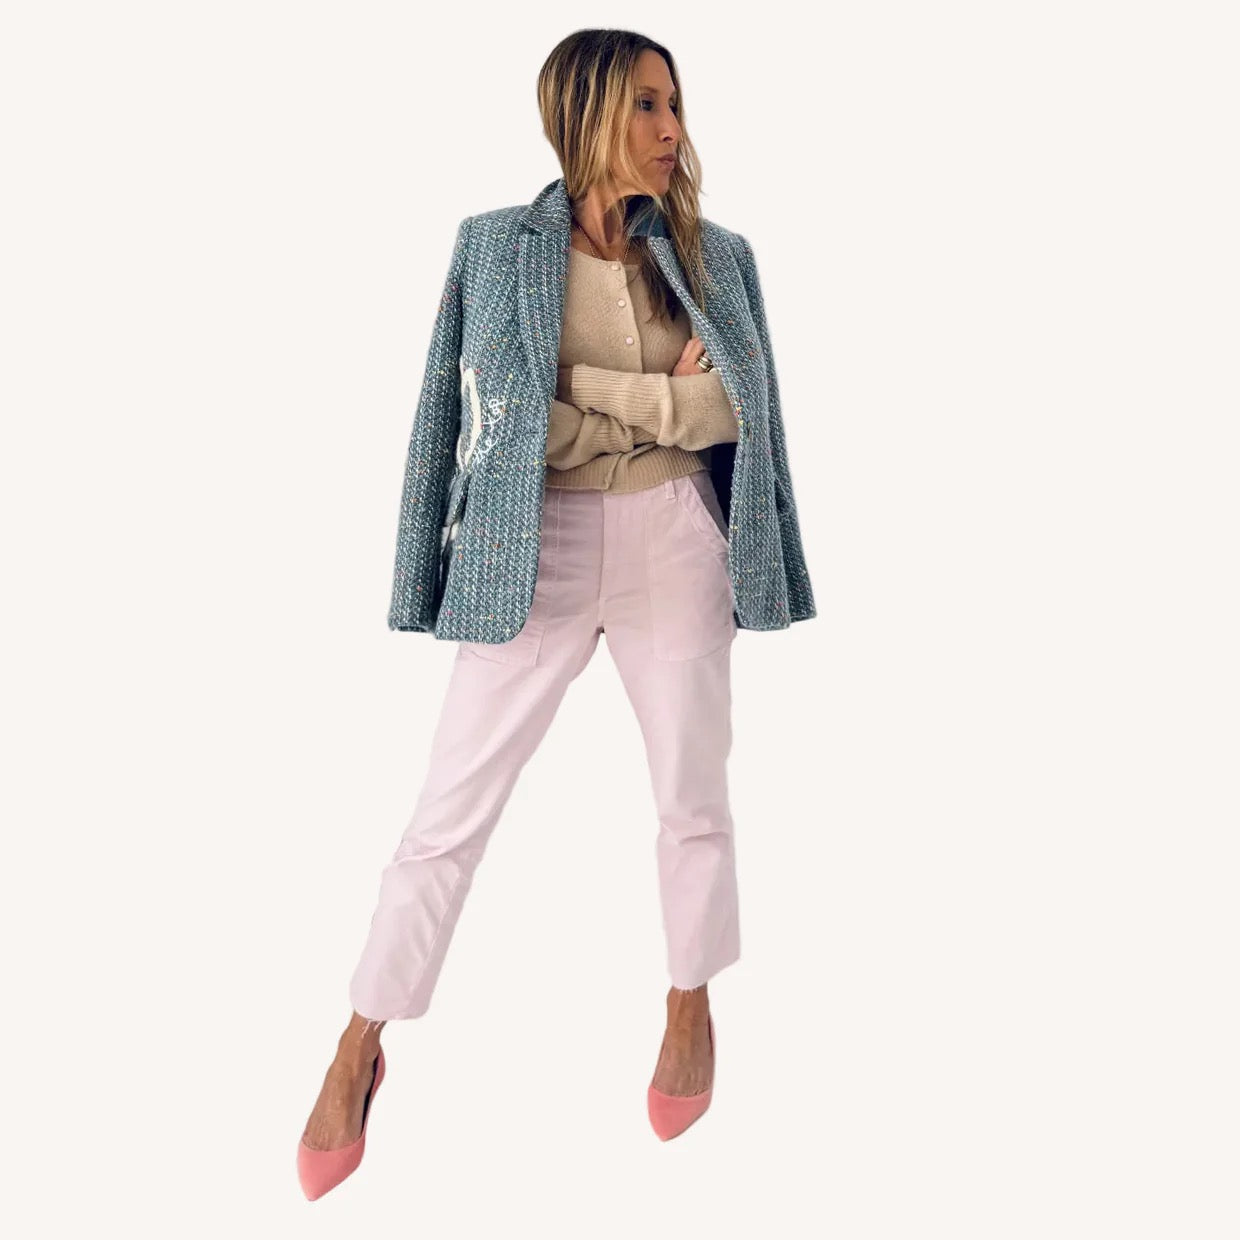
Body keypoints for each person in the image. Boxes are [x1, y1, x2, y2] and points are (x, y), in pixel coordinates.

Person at [299, 27, 815, 1198]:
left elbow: (737, 414)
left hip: (675, 536)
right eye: (646, 104)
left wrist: (575, 398)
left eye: (674, 103)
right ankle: (358, 1040)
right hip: (533, 548)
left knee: (693, 796)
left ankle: (688, 1001)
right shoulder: (493, 246)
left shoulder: (718, 256)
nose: (672, 127)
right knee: (447, 812)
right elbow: (476, 416)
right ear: (582, 113)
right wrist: (645, 399)